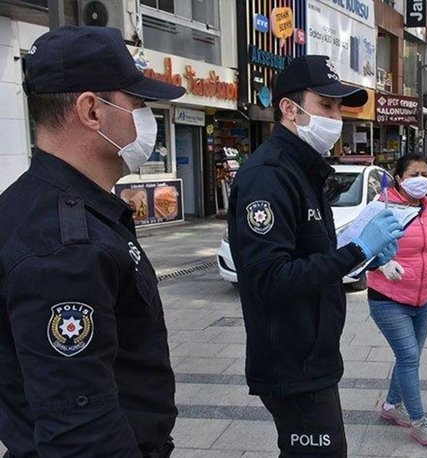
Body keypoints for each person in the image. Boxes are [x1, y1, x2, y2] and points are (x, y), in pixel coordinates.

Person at [0, 26, 185, 456]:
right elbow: (81, 431)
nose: (146, 119)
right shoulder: (66, 248)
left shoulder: (43, 207)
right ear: (91, 111)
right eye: (137, 104)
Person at [227, 55, 405, 457]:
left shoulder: (303, 168)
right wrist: (355, 250)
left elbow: (312, 255)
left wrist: (366, 254)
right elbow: (270, 278)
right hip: (292, 365)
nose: (336, 116)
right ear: (289, 109)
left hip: (312, 357)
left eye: (339, 107)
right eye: (325, 105)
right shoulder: (268, 174)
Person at [369, 154, 427, 447]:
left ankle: (391, 406)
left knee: (410, 357)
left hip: (424, 298)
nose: (421, 178)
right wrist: (381, 264)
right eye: (413, 173)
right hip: (388, 297)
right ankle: (419, 420)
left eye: (425, 173)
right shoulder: (383, 206)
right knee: (408, 356)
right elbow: (359, 246)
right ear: (398, 178)